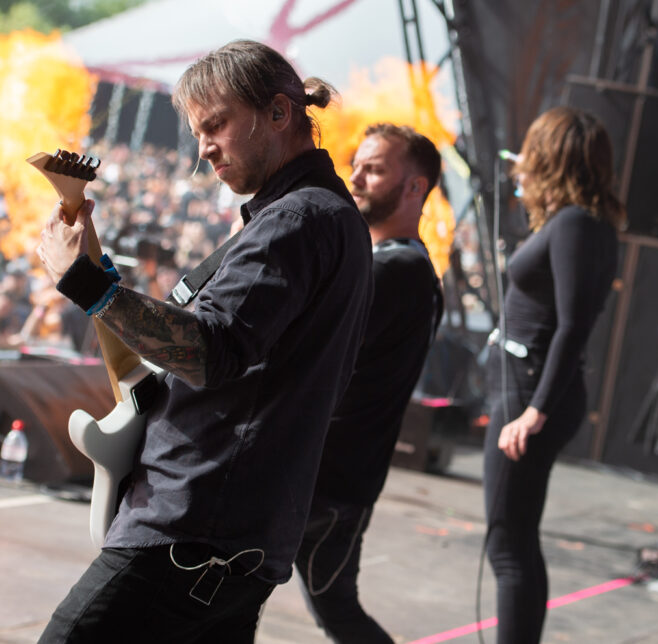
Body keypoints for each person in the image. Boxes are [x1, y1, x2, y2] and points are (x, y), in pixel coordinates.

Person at [36, 40, 373, 642]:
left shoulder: (297, 220)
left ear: (278, 112)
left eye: (215, 124)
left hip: (195, 525)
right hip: (228, 531)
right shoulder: (314, 215)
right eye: (198, 131)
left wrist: (85, 283)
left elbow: (208, 352)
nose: (203, 149)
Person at [294, 123, 444, 643]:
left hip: (323, 482)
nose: (354, 176)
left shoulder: (397, 269)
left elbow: (307, 353)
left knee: (331, 608)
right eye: (356, 163)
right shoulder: (402, 267)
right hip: (331, 479)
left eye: (374, 169)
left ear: (415, 188)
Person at [483, 106, 623, 643]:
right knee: (513, 542)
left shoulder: (575, 225)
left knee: (509, 546)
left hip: (531, 392)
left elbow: (573, 326)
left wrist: (533, 412)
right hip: (526, 386)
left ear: (551, 157)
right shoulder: (574, 222)